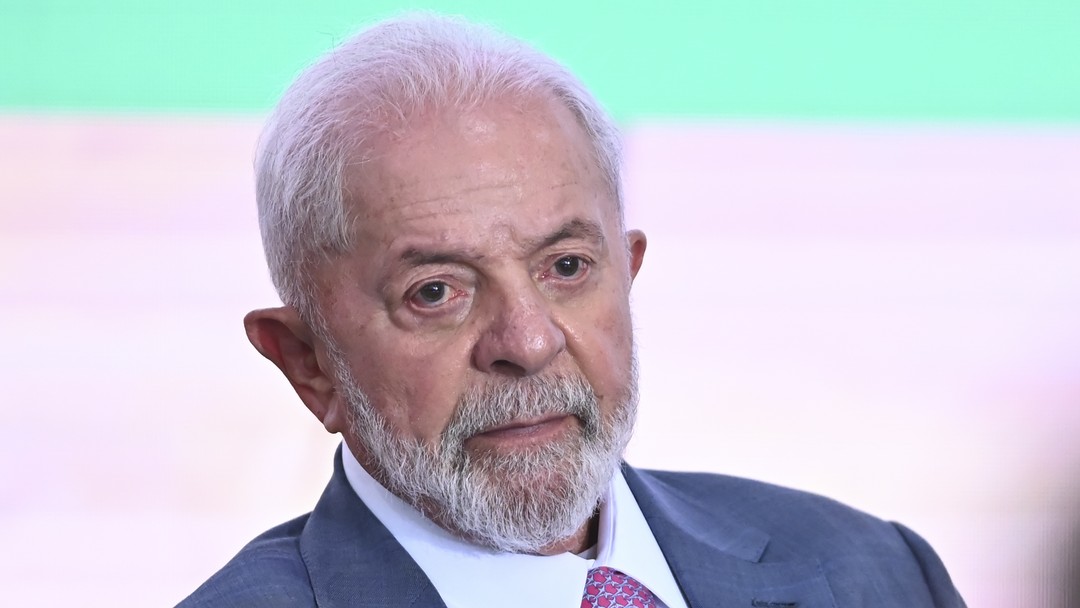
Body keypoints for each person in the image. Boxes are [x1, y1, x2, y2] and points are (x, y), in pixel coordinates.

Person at [179, 13, 966, 608]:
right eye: (436, 291)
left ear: (627, 274)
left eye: (565, 267)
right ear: (308, 363)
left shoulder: (877, 574)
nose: (527, 341)